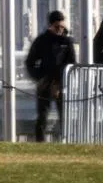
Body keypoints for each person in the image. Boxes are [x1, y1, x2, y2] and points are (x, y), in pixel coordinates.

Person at [25, 10, 77, 142]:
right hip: (45, 82)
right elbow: (30, 62)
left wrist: (61, 83)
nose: (60, 29)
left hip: (61, 83)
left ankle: (66, 141)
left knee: (64, 115)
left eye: (61, 26)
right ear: (51, 26)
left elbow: (72, 63)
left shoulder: (67, 42)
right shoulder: (42, 40)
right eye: (57, 27)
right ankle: (40, 142)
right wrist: (40, 78)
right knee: (42, 116)